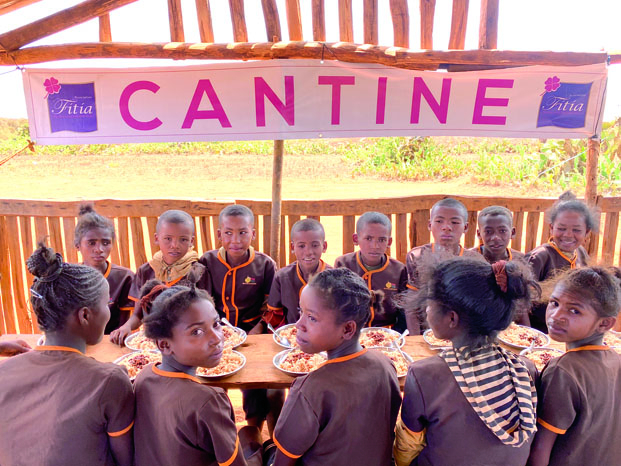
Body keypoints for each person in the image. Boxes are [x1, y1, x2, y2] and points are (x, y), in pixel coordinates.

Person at [394, 257, 540, 466]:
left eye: (429, 304)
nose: (426, 310)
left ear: (452, 319)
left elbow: (406, 449)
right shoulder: (525, 368)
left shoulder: (424, 374)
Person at [0, 243, 134, 466]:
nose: (108, 312)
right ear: (84, 315)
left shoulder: (4, 371)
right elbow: (126, 461)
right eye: (106, 304)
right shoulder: (109, 381)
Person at [271, 268, 402, 466]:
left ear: (348, 329)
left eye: (311, 318)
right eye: (301, 312)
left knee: (251, 439)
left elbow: (284, 460)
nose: (298, 324)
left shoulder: (309, 388)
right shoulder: (386, 365)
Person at [133, 267, 262, 466]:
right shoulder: (209, 400)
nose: (217, 338)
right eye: (196, 332)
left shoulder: (144, 376)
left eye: (216, 324)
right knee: (253, 436)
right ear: (164, 345)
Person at [527, 267, 621, 466]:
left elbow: (541, 449)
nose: (556, 315)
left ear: (604, 324)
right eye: (554, 303)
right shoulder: (616, 360)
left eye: (574, 310)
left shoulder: (563, 370)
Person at [199, 204, 279, 434]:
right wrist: (214, 328)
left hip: (254, 332)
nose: (236, 239)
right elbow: (203, 300)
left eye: (243, 232)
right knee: (212, 381)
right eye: (228, 233)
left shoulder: (265, 265)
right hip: (215, 331)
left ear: (253, 233)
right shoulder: (207, 261)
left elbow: (271, 305)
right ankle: (222, 429)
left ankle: (253, 429)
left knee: (255, 382)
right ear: (219, 234)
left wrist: (258, 327)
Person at [110, 209, 199, 344]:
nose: (174, 245)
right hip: (151, 342)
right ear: (157, 238)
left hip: (189, 341)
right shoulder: (145, 271)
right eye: (168, 239)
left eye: (183, 239)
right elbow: (137, 315)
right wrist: (127, 326)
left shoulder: (198, 271)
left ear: (191, 241)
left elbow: (203, 314)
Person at [405, 198, 479, 334]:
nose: (447, 227)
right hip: (426, 331)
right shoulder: (417, 256)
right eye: (439, 221)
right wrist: (415, 338)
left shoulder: (474, 261)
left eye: (455, 222)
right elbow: (411, 305)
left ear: (466, 227)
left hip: (462, 332)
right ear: (429, 225)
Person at [525, 192, 596, 332]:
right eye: (561, 228)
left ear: (587, 232)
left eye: (576, 230)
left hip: (569, 328)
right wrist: (527, 332)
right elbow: (521, 299)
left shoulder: (581, 253)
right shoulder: (540, 257)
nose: (568, 235)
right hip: (541, 330)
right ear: (551, 228)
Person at [334, 211, 408, 330]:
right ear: (356, 239)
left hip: (387, 334)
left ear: (389, 242)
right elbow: (337, 306)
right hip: (351, 333)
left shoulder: (398, 270)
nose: (375, 246)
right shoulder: (343, 264)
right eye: (368, 238)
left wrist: (396, 336)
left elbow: (404, 311)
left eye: (381, 240)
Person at [74, 204, 134, 334]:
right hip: (78, 342)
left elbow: (124, 324)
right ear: (78, 245)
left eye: (106, 243)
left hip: (113, 342)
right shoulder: (70, 279)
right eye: (91, 243)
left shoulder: (124, 278)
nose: (99, 249)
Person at [263, 218, 330, 328]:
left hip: (324, 336)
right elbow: (275, 316)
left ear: (324, 246)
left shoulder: (334, 278)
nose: (308, 252)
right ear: (292, 247)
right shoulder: (282, 277)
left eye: (315, 245)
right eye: (301, 246)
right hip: (292, 335)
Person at [470, 205, 529, 325]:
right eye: (488, 231)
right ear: (479, 234)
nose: (496, 237)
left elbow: (522, 301)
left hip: (510, 321)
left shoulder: (521, 260)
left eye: (502, 231)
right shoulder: (469, 259)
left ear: (512, 232)